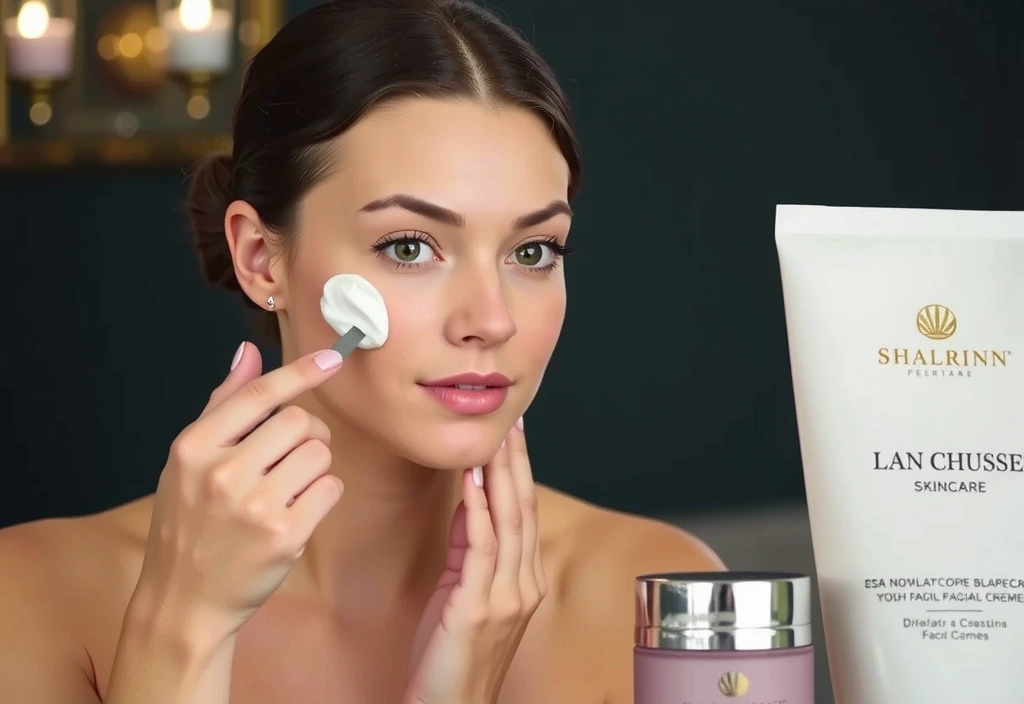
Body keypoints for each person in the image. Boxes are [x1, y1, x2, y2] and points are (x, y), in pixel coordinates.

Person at [0, 1, 725, 702]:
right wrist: (180, 631)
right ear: (260, 258)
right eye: (410, 247)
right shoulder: (31, 598)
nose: (491, 319)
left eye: (532, 250)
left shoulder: (662, 603)